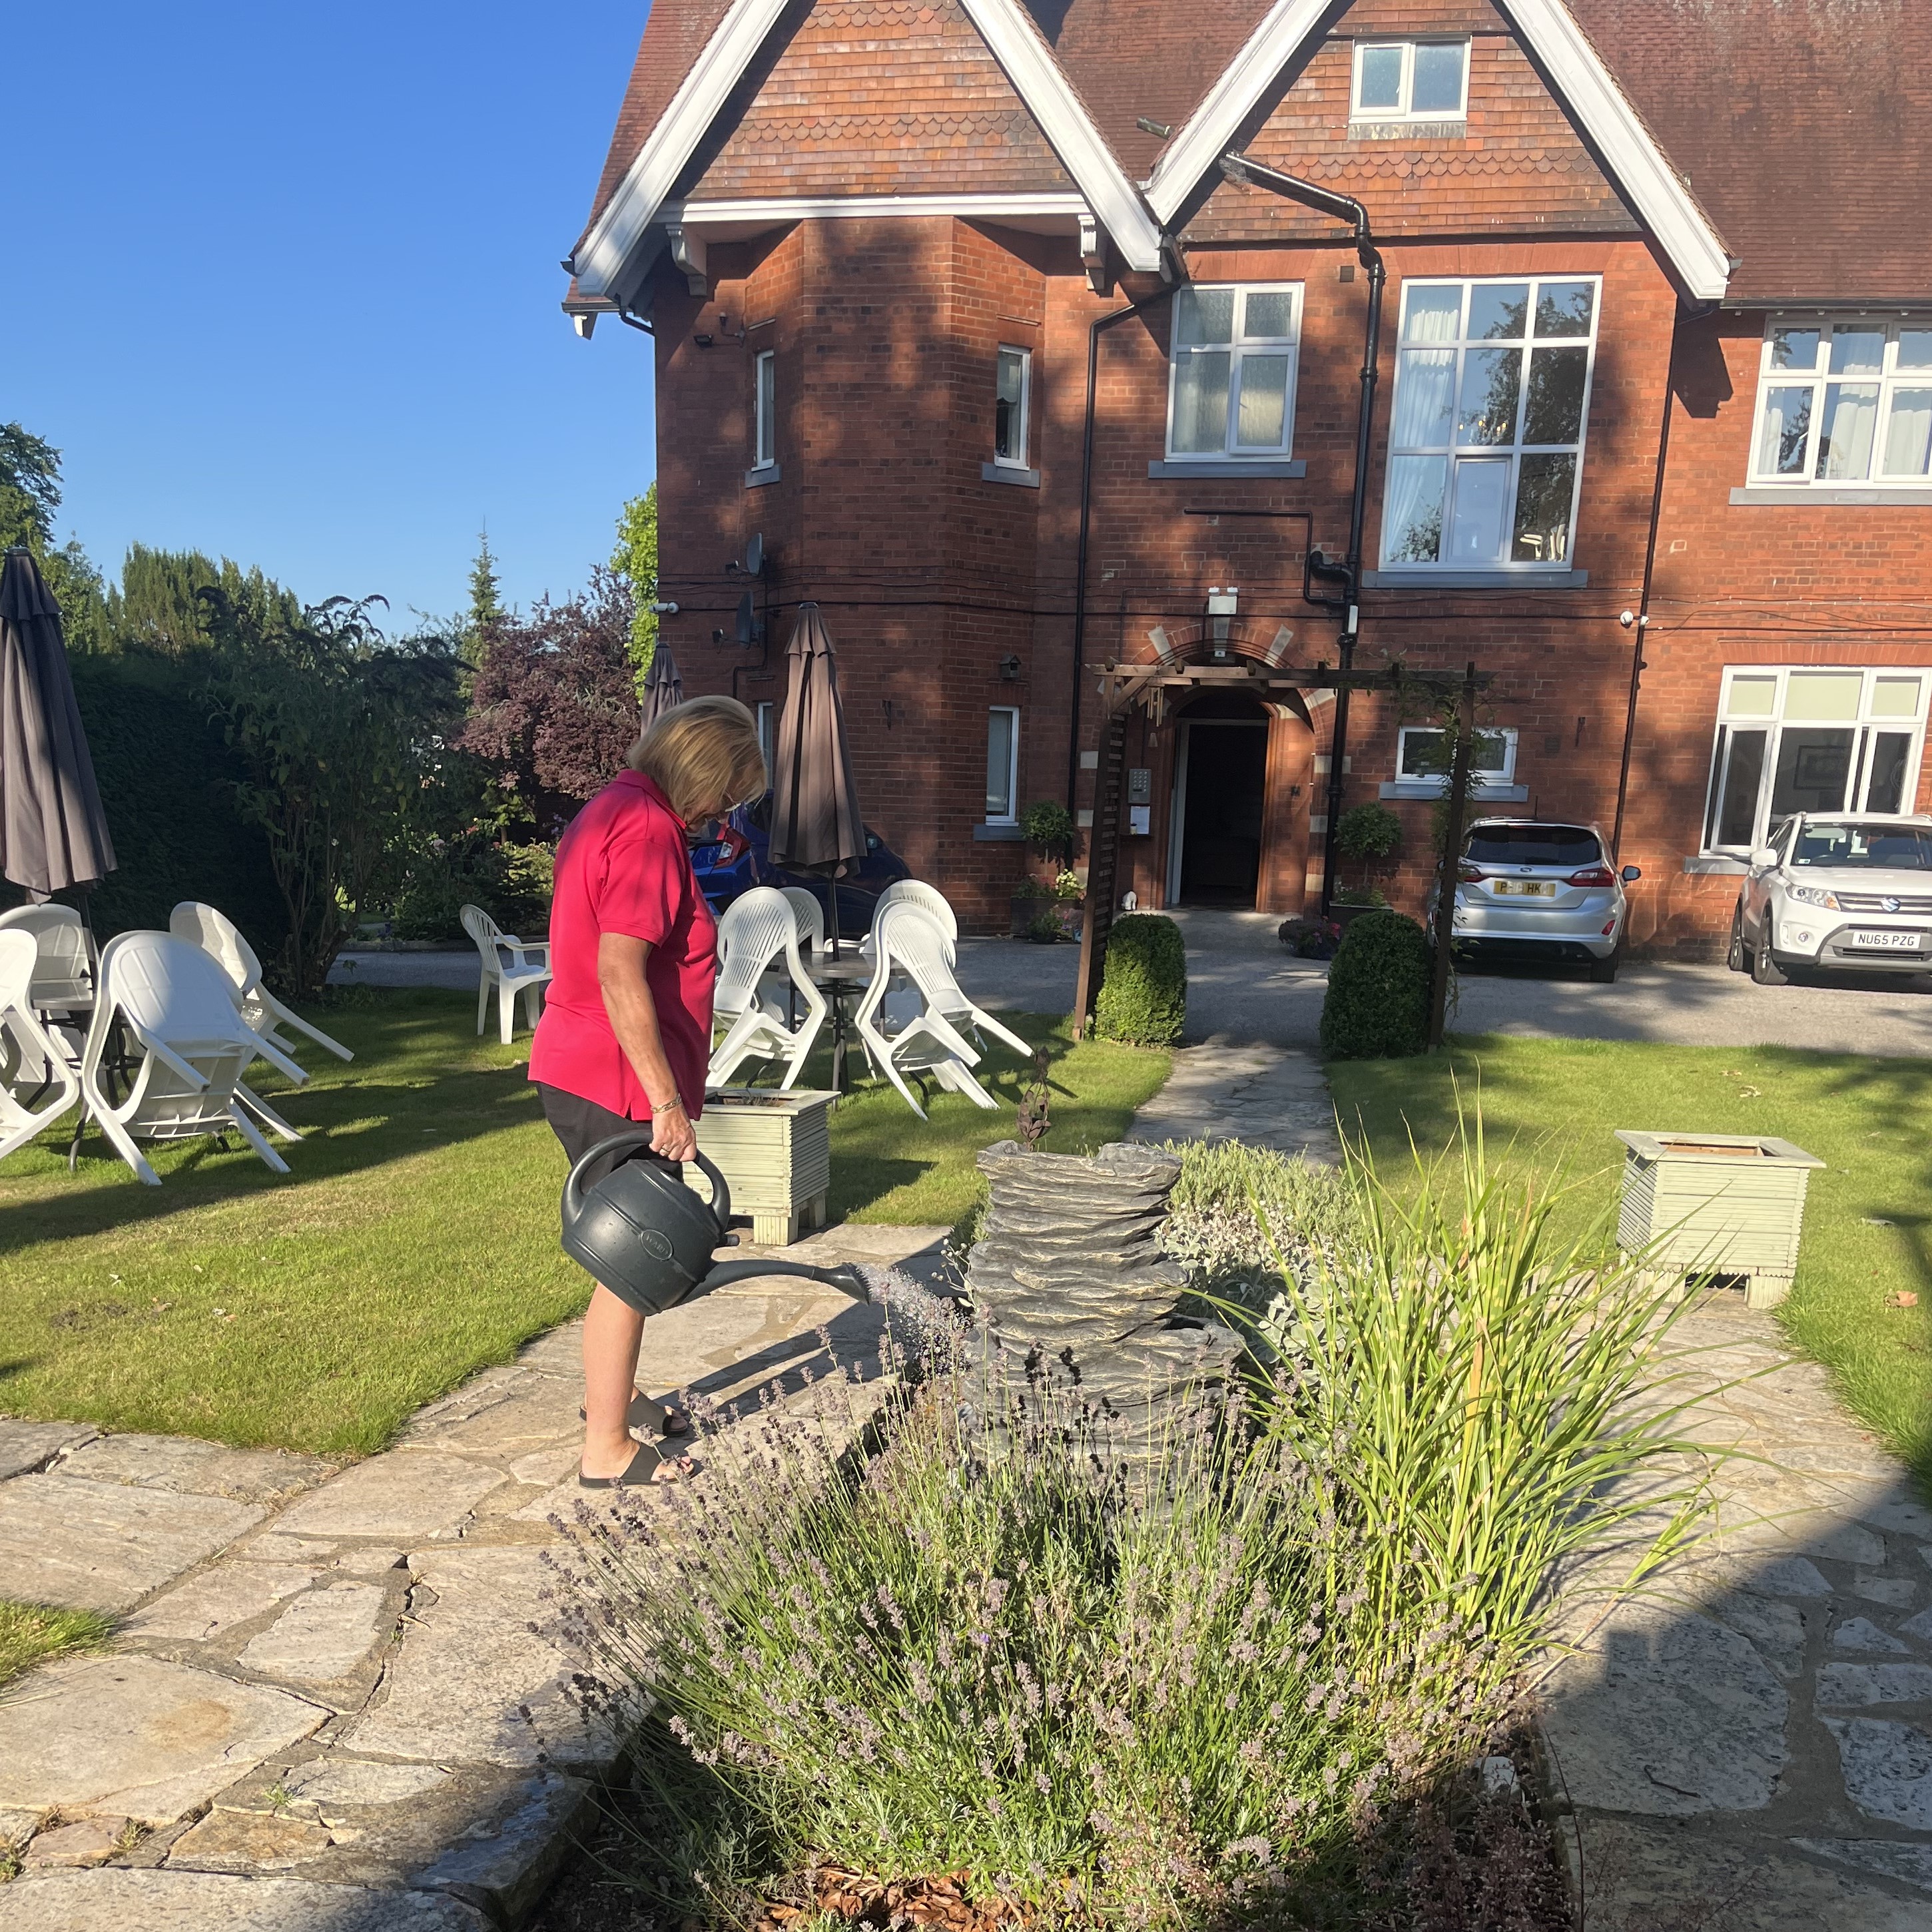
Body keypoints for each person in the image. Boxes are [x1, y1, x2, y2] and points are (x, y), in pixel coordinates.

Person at [529, 693, 767, 1488]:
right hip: (614, 1076)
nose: (721, 813)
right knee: (632, 1258)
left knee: (620, 1251)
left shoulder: (610, 810)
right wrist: (666, 1101)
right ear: (702, 772)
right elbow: (619, 972)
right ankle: (606, 1448)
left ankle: (617, 1401)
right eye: (727, 794)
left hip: (584, 1064)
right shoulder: (648, 830)